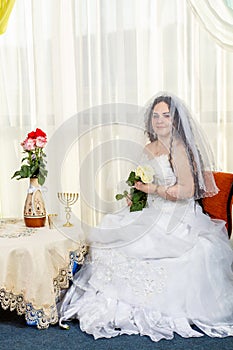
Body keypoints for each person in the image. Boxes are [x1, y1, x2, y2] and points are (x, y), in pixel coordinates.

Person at [58, 92, 233, 342]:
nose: (159, 120)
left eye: (165, 115)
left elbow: (187, 190)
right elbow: (141, 178)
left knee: (145, 246)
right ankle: (113, 301)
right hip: (151, 208)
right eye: (155, 116)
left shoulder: (179, 148)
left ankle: (149, 305)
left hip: (176, 214)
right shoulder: (149, 147)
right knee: (110, 236)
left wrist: (154, 190)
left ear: (175, 120)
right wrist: (135, 193)